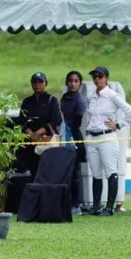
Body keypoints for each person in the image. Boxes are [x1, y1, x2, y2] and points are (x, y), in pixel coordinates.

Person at [84, 66, 131, 217]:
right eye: (95, 77)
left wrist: (119, 124)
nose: (97, 79)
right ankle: (96, 206)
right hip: (92, 136)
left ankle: (110, 207)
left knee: (110, 171)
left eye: (100, 76)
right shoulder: (91, 96)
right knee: (95, 172)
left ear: (106, 78)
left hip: (107, 137)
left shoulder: (112, 95)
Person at [14, 72, 62, 175]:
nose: (37, 85)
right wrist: (31, 134)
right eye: (35, 82)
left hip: (46, 141)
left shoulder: (51, 100)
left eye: (40, 82)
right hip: (30, 142)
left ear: (45, 84)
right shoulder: (27, 101)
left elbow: (56, 119)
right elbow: (22, 120)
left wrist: (39, 133)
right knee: (33, 169)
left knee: (48, 170)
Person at [61, 71, 87, 213]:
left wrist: (68, 132)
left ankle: (76, 203)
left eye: (76, 81)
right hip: (63, 134)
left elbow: (76, 123)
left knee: (74, 172)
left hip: (73, 135)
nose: (72, 84)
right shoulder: (64, 98)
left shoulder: (80, 101)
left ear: (80, 84)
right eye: (70, 81)